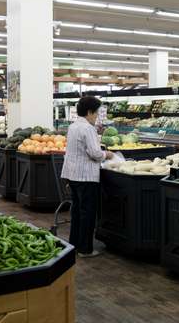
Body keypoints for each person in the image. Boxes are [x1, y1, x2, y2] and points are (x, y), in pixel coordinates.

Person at [61, 96, 112, 257]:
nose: (97, 116)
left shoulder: (73, 126)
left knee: (77, 211)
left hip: (72, 174)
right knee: (88, 213)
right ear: (89, 112)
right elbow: (95, 153)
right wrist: (107, 154)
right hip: (86, 176)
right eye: (96, 113)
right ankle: (85, 249)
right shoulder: (88, 128)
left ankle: (74, 243)